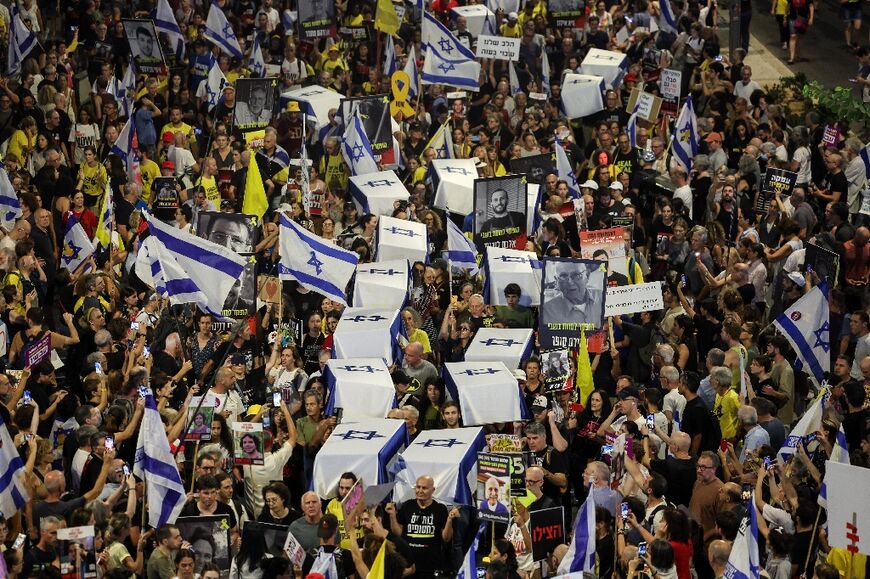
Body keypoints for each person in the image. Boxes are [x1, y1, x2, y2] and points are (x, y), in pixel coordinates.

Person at [541, 262, 605, 324]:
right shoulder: (548, 311)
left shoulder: (602, 297)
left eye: (576, 275)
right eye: (563, 276)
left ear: (587, 276)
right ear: (556, 280)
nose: (570, 282)